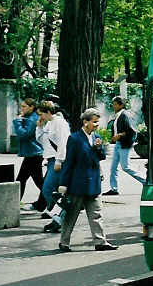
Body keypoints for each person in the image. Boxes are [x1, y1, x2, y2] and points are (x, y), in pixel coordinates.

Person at [56, 108, 117, 252]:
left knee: (96, 213)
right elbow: (69, 162)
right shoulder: (75, 139)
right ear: (85, 122)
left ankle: (100, 241)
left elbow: (101, 157)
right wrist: (63, 184)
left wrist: (98, 148)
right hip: (78, 183)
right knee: (71, 215)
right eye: (94, 122)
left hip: (93, 182)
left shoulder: (96, 137)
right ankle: (64, 242)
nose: (96, 125)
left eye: (97, 122)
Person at [35, 100, 70, 230]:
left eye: (41, 114)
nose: (40, 117)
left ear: (48, 112)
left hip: (56, 160)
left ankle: (59, 212)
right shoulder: (49, 123)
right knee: (54, 190)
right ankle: (59, 213)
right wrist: (39, 127)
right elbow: (41, 141)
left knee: (48, 189)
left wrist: (59, 160)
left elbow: (63, 142)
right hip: (50, 159)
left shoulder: (59, 123)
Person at [103, 96, 145, 196]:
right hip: (119, 144)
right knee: (113, 168)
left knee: (125, 167)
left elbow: (132, 131)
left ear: (121, 105)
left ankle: (145, 181)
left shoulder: (125, 115)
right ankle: (114, 189)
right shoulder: (118, 115)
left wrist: (120, 135)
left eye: (115, 104)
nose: (113, 106)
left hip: (124, 145)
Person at [13, 98, 46, 209]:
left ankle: (54, 201)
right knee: (25, 179)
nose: (22, 109)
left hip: (34, 154)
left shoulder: (32, 119)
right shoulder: (30, 118)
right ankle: (15, 203)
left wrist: (17, 122)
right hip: (32, 153)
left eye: (24, 106)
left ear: (31, 107)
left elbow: (25, 134)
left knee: (32, 180)